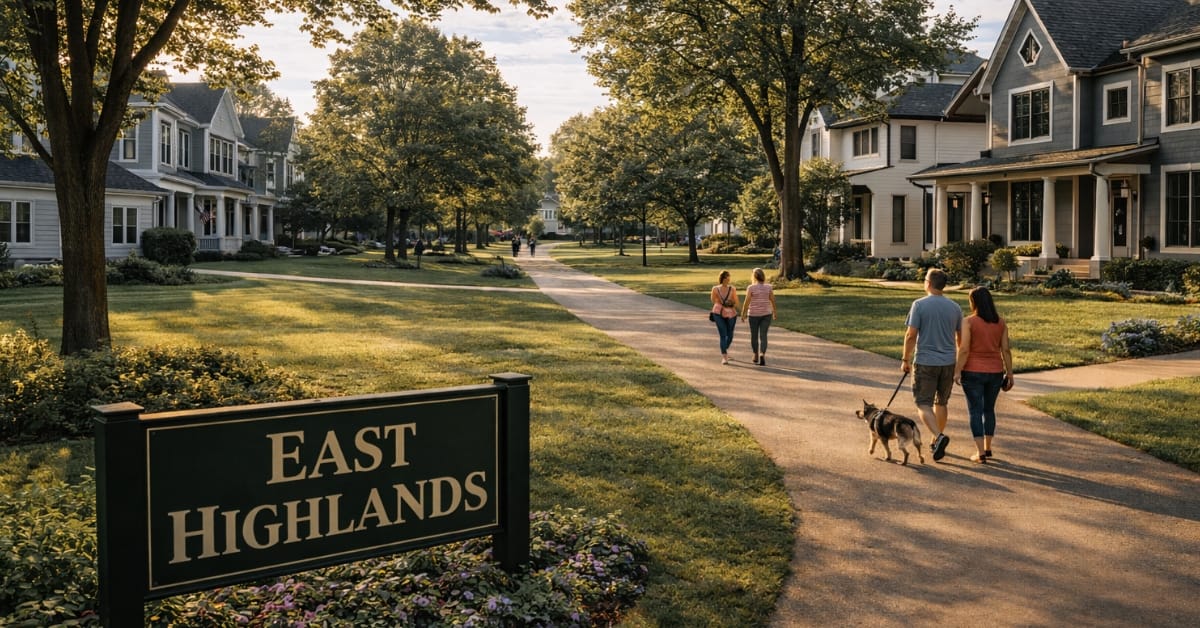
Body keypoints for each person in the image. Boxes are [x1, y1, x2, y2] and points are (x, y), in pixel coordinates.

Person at [901, 267, 962, 462]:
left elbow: (911, 335)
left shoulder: (919, 305)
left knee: (923, 403)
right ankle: (937, 439)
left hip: (926, 361)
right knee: (941, 402)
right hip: (948, 362)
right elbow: (960, 339)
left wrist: (905, 359)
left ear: (928, 283)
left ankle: (940, 436)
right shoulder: (955, 307)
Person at [954, 286, 1014, 463]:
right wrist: (1009, 374)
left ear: (974, 302)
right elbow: (1006, 349)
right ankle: (988, 447)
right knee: (989, 410)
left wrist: (957, 370)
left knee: (975, 410)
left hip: (972, 371)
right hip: (995, 371)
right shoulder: (1001, 323)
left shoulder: (969, 322)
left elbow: (964, 349)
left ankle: (979, 452)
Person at [740, 267, 777, 365]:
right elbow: (772, 300)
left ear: (754, 277)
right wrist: (774, 312)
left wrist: (743, 314)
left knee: (754, 336)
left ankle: (755, 354)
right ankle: (762, 354)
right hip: (766, 314)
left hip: (753, 315)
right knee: (763, 335)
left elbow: (746, 301)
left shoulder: (751, 288)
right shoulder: (769, 287)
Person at [710, 270, 740, 365]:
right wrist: (721, 302)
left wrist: (731, 303)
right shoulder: (715, 289)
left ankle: (724, 350)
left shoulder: (732, 289)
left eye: (729, 277)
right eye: (727, 277)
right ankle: (724, 356)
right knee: (723, 334)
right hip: (718, 312)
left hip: (731, 313)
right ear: (722, 278)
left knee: (730, 335)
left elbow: (736, 302)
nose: (728, 278)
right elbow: (713, 300)